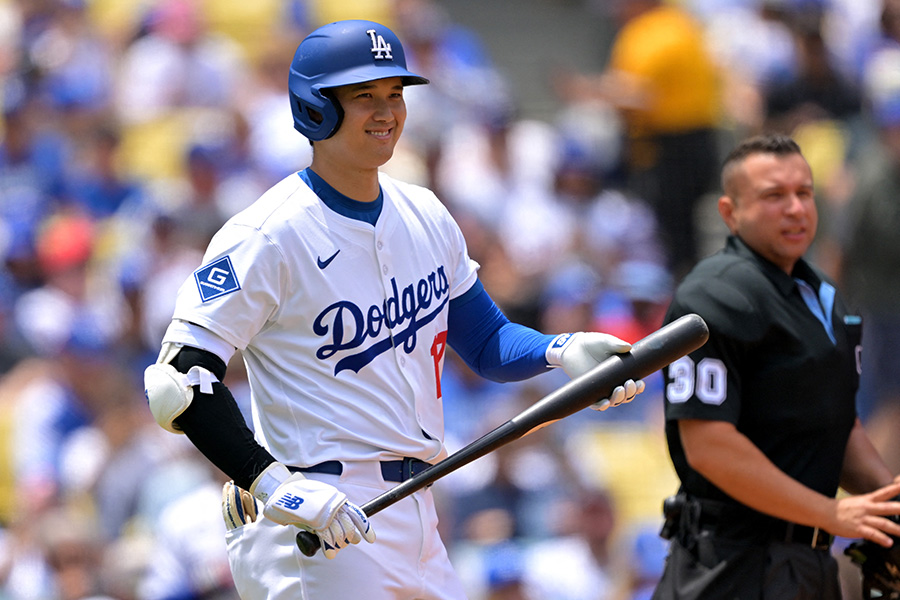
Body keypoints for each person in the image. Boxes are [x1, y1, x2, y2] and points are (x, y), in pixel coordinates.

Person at [143, 20, 644, 600]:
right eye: (364, 96)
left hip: (418, 504)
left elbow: (488, 343)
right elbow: (179, 382)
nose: (386, 112)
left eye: (395, 93)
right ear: (315, 108)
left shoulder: (425, 213)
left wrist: (562, 349)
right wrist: (273, 485)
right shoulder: (266, 234)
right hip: (317, 517)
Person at [651, 133, 900, 599]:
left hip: (807, 563)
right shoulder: (714, 294)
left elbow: (838, 426)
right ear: (730, 212)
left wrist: (891, 505)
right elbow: (708, 446)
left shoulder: (823, 295)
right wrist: (831, 513)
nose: (795, 208)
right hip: (729, 563)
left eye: (804, 192)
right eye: (774, 196)